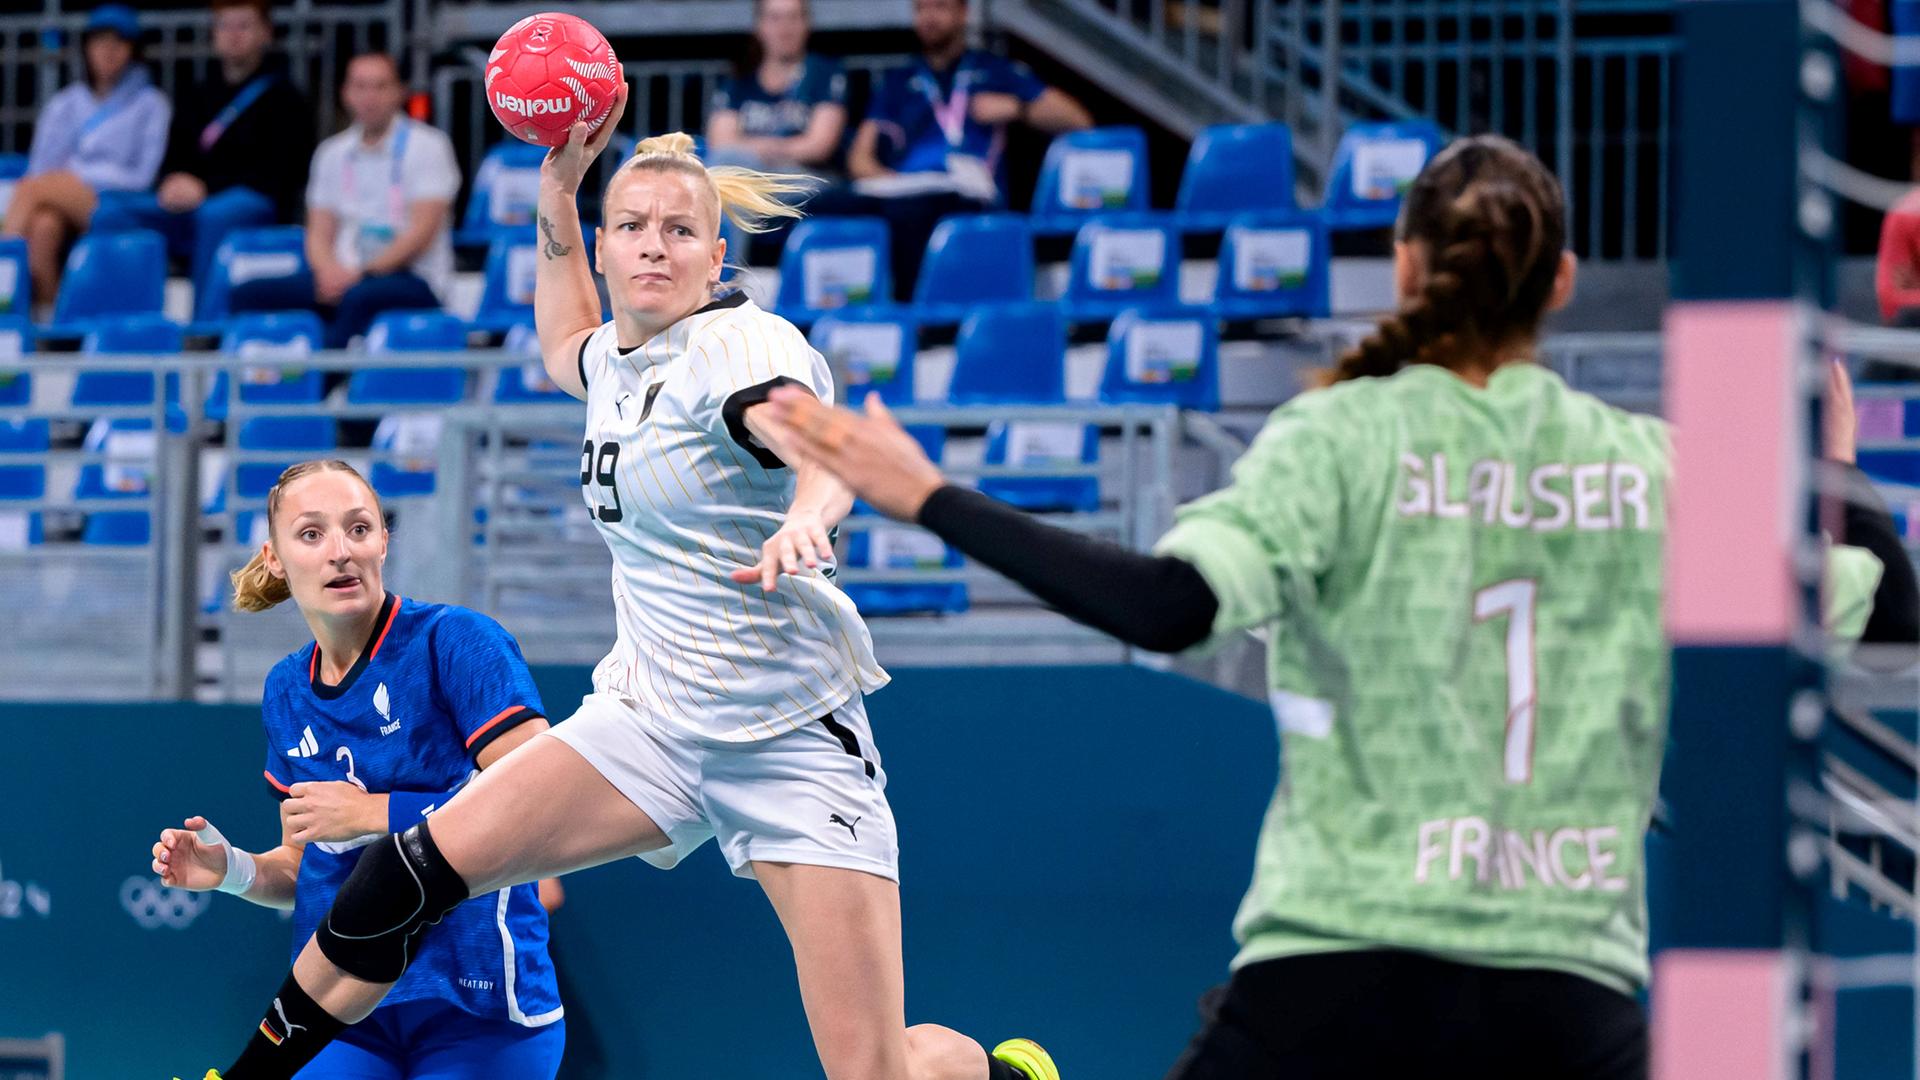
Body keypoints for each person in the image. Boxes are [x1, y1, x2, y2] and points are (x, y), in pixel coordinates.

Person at [759, 135, 1920, 1078]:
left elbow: (1169, 607)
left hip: (1338, 969)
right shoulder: (1653, 471)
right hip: (1566, 989)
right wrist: (1835, 467)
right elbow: (1889, 611)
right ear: (1561, 282)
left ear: (1405, 268)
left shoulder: (1337, 438)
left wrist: (930, 495)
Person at [196, 90, 1059, 1080]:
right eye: (633, 228)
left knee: (874, 1071)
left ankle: (998, 1074)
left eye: (680, 231)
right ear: (608, 249)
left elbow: (819, 442)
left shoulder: (745, 350)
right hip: (648, 722)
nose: (654, 247)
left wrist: (807, 519)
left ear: (716, 257)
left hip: (786, 738)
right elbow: (566, 329)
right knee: (405, 875)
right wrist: (558, 193)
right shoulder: (615, 354)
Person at [155, 459, 565, 1079]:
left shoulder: (458, 641)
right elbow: (305, 867)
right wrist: (234, 870)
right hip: (338, 1013)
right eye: (312, 534)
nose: (340, 552)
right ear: (275, 558)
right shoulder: (285, 690)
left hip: (479, 1007)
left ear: (383, 542)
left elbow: (543, 804)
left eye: (358, 529)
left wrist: (379, 813)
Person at [837, 0, 1090, 297]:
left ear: (963, 12)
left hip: (973, 197)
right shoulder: (899, 80)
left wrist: (1016, 108)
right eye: (921, 9)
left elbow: (1076, 119)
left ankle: (917, 315)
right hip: (907, 197)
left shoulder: (994, 70)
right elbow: (859, 159)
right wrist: (886, 178)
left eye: (940, 7)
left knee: (919, 215)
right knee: (835, 206)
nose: (929, 18)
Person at [92, 0, 312, 290]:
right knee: (110, 210)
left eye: (244, 25)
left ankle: (204, 328)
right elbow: (173, 157)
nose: (233, 34)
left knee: (219, 213)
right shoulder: (196, 93)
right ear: (214, 33)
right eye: (225, 25)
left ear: (266, 33)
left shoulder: (285, 98)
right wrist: (172, 182)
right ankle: (117, 317)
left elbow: (281, 174)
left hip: (249, 205)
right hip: (190, 205)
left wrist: (207, 189)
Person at [3, 4, 170, 313]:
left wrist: (81, 176)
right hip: (60, 194)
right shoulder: (66, 103)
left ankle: (3, 270)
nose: (108, 52)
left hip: (117, 202)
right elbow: (42, 164)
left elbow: (142, 177)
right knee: (43, 228)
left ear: (132, 50)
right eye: (99, 43)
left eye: (118, 43)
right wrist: (67, 182)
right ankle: (48, 321)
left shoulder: (151, 104)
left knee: (29, 189)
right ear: (87, 49)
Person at [300, 53, 461, 348]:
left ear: (399, 92)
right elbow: (318, 231)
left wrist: (360, 274)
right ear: (345, 93)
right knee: (252, 293)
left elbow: (420, 235)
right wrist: (328, 273)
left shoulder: (429, 146)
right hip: (344, 275)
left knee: (360, 297)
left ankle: (318, 387)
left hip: (413, 278)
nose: (369, 97)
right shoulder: (331, 152)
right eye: (360, 86)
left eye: (380, 86)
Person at [705, 0, 848, 176]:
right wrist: (778, 149)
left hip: (804, 178)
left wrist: (751, 147)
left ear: (807, 24)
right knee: (721, 169)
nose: (784, 29)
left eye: (793, 18)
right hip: (746, 174)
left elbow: (818, 146)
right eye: (775, 18)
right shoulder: (741, 76)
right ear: (759, 26)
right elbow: (720, 143)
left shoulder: (823, 73)